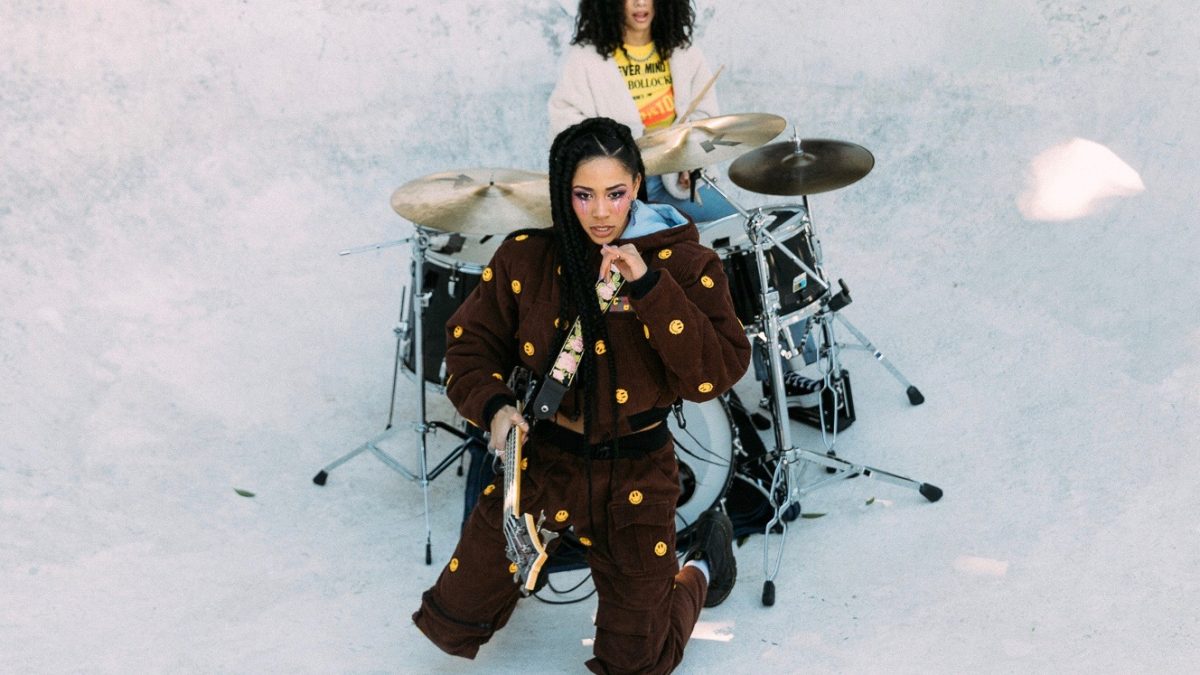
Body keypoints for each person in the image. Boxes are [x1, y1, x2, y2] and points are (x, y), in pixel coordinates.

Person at [412, 117, 751, 674]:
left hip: (636, 473)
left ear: (637, 185)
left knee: (636, 665)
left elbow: (713, 376)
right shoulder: (526, 256)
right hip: (544, 459)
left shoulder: (686, 264)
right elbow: (469, 346)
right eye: (583, 195)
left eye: (615, 193)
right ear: (561, 193)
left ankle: (701, 567)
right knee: (452, 623)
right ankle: (530, 564)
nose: (600, 212)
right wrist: (494, 408)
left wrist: (649, 287)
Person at [548, 0, 737, 223]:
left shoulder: (684, 53)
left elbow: (705, 117)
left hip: (676, 180)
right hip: (617, 190)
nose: (640, 3)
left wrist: (690, 160)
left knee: (737, 226)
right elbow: (566, 127)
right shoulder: (585, 59)